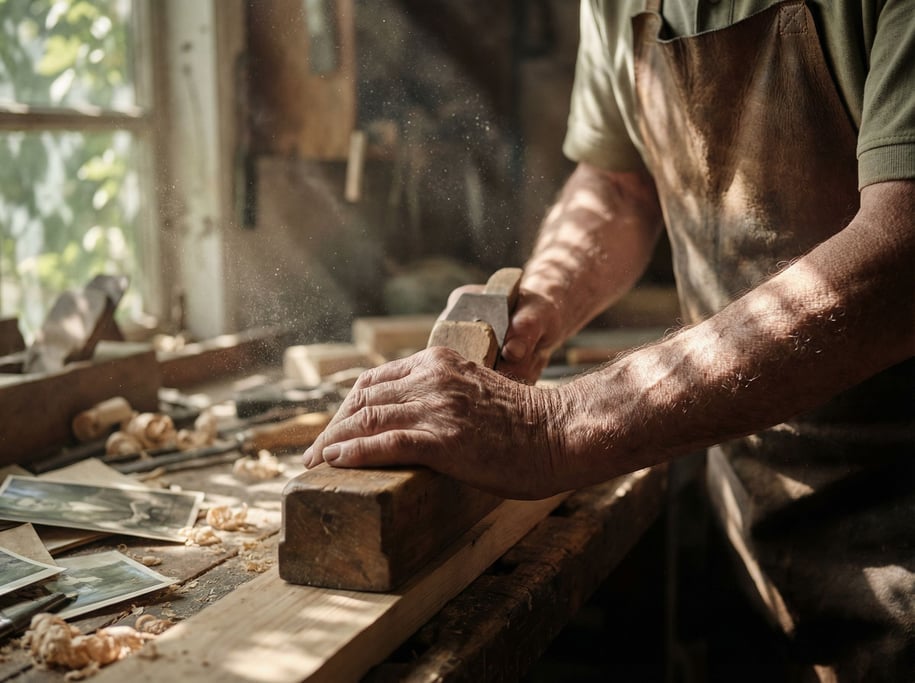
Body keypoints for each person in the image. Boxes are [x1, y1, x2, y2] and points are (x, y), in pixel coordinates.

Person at [305, 1, 914, 680]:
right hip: (748, 494)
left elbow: (901, 258)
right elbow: (619, 185)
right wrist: (541, 301)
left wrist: (552, 426)